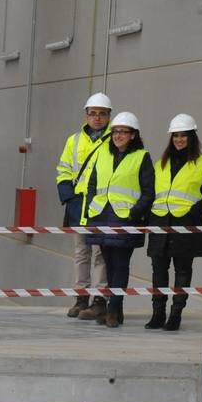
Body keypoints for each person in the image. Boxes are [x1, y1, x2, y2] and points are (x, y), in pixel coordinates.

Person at [79, 111, 154, 328]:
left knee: (120, 264)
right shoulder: (104, 154)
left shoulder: (141, 157)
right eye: (115, 131)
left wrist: (134, 212)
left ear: (133, 135)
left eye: (123, 132)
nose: (118, 135)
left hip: (125, 219)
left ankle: (112, 310)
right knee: (109, 264)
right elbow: (92, 184)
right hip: (101, 216)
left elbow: (148, 191)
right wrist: (93, 204)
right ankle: (116, 310)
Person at [146, 114, 202, 331]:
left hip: (187, 224)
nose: (178, 139)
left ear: (192, 137)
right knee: (158, 269)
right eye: (175, 135)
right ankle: (158, 314)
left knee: (183, 269)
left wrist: (194, 215)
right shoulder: (160, 164)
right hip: (160, 222)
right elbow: (152, 193)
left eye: (183, 135)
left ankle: (175, 315)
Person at [57, 92, 113, 317]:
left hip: (101, 204)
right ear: (86, 115)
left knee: (101, 253)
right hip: (78, 204)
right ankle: (81, 298)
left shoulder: (114, 139)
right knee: (81, 252)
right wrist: (69, 197)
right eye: (93, 114)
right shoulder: (74, 140)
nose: (97, 118)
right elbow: (63, 169)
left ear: (109, 116)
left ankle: (99, 299)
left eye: (102, 114)